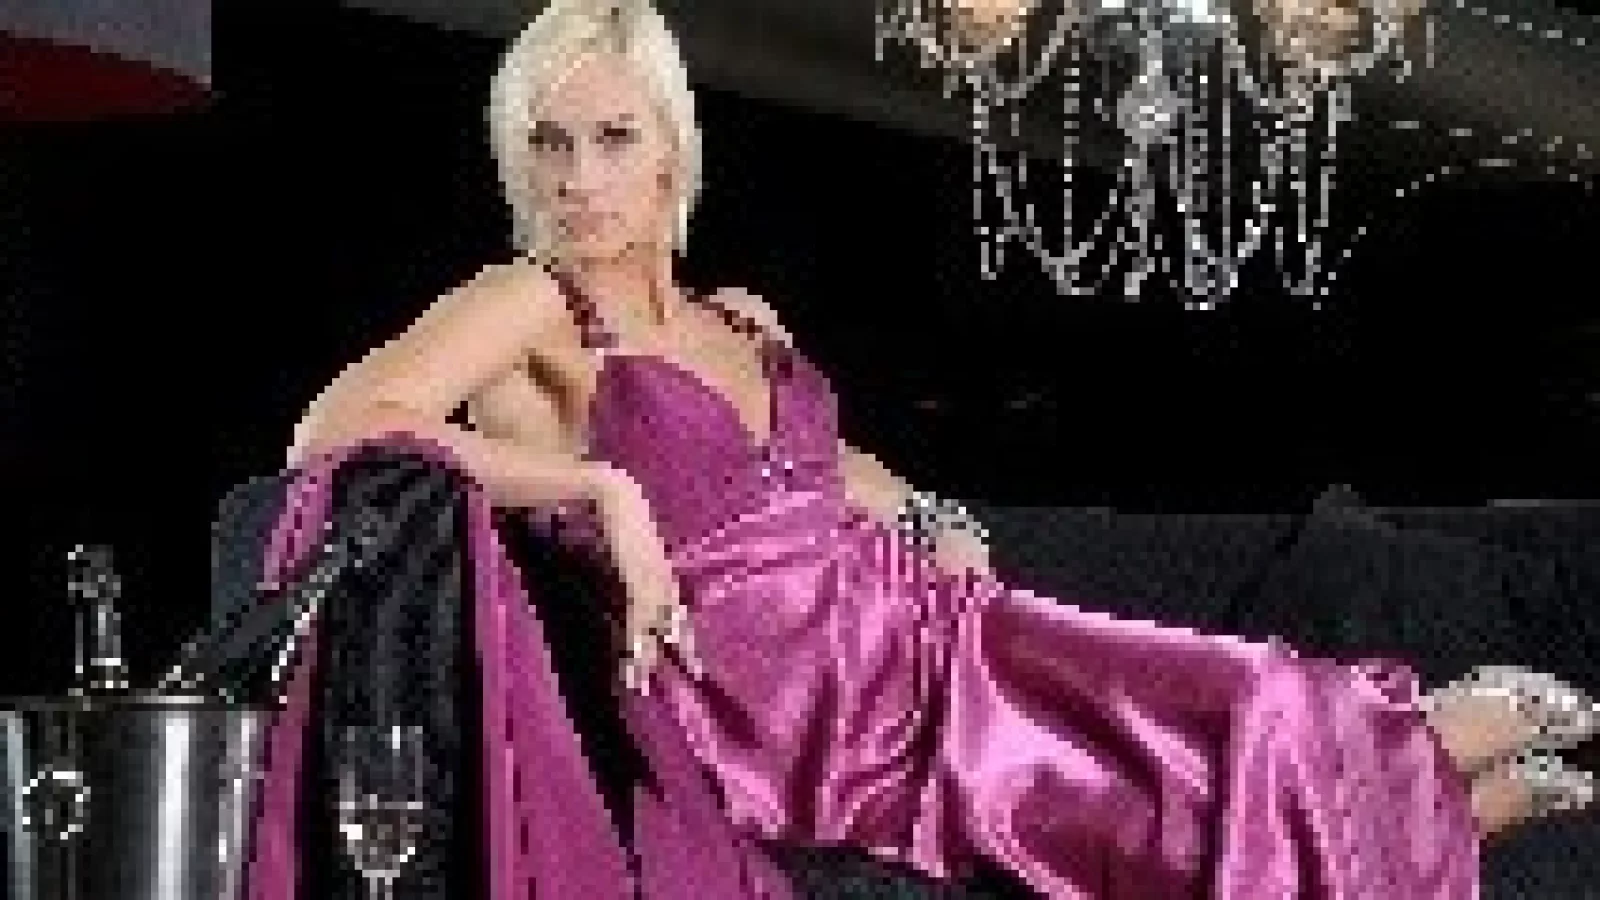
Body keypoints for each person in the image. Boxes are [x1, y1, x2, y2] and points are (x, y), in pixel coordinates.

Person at [268, 1, 1598, 897]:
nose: (578, 178)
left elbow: (807, 476)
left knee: (1208, 694)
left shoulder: (737, 314)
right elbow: (335, 431)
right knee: (1224, 717)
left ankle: (1422, 795)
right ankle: (1433, 779)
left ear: (671, 148)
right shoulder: (527, 302)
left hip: (911, 627)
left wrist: (930, 511)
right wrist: (599, 489)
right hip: (798, 721)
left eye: (613, 138)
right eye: (548, 142)